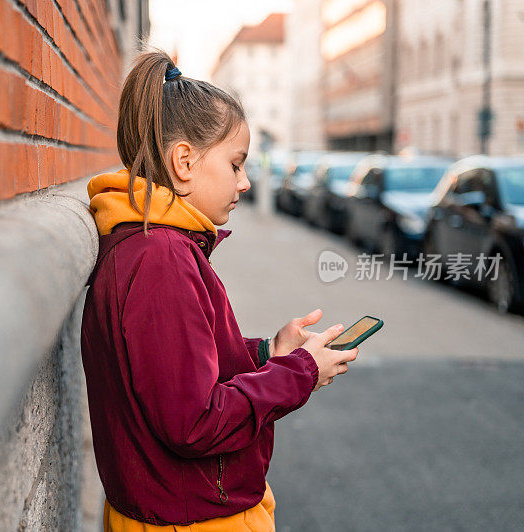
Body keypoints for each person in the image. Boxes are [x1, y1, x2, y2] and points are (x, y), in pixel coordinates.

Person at [80, 48, 358, 531]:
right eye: (235, 164)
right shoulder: (160, 258)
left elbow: (177, 370)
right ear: (184, 161)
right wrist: (300, 374)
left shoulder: (150, 245)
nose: (245, 182)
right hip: (194, 519)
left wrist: (270, 352)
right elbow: (194, 422)